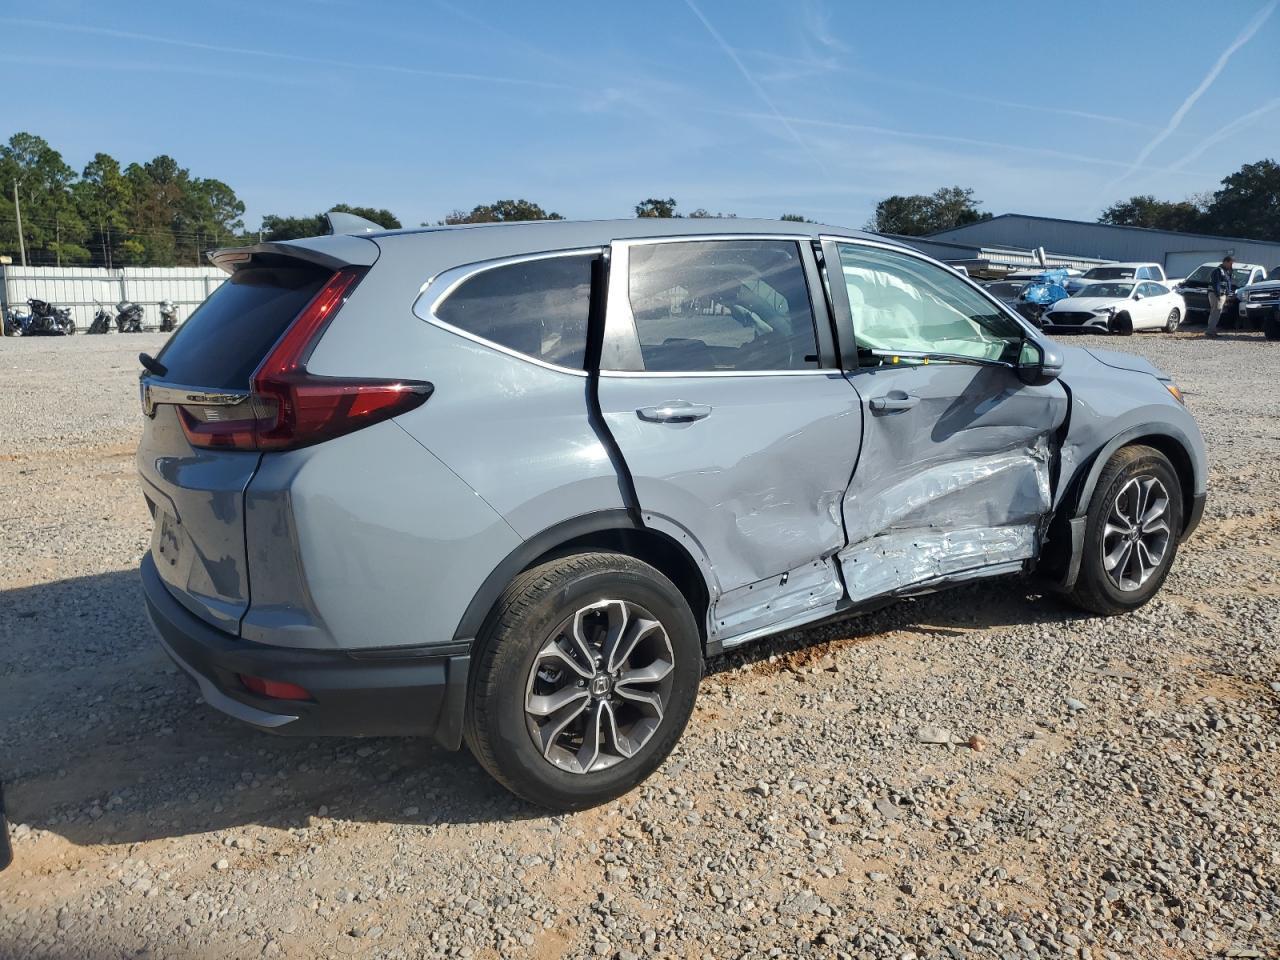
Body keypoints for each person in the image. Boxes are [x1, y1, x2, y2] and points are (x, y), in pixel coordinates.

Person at [1206, 255, 1234, 338]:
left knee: (1215, 313)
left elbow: (1227, 283)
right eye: (1230, 263)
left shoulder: (1226, 271)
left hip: (1221, 295)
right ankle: (1210, 332)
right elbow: (1216, 284)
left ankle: (1212, 330)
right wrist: (1218, 295)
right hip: (1216, 295)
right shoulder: (1218, 271)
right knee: (1215, 313)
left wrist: (1227, 294)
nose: (1231, 265)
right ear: (1225, 262)